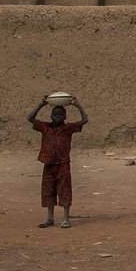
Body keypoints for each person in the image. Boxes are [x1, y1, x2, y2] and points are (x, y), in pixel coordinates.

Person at [26, 95, 88, 228]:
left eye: (60, 115)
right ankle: (49, 218)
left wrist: (77, 106)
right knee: (48, 190)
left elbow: (85, 119)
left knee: (64, 190)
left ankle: (65, 218)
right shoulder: (45, 127)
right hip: (48, 163)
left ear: (65, 117)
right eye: (55, 114)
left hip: (62, 163)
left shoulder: (68, 128)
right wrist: (40, 105)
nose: (58, 116)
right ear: (51, 116)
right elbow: (30, 118)